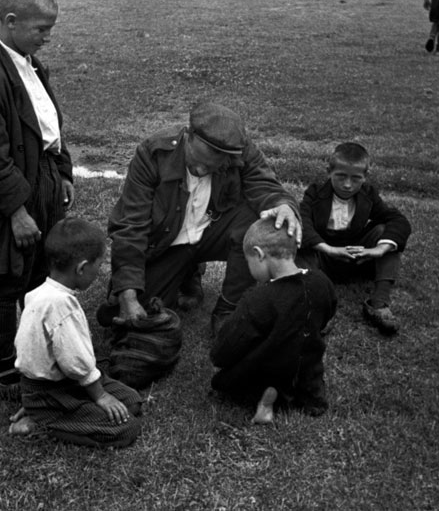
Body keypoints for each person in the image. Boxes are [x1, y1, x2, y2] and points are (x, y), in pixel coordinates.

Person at [0, 0, 75, 400]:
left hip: (40, 179)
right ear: (9, 21)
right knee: (6, 281)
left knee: (37, 273)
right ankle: (3, 367)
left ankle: (35, 353)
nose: (47, 38)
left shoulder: (31, 63)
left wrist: (62, 171)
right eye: (41, 29)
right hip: (7, 196)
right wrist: (17, 211)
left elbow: (49, 123)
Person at [103, 102, 301, 334]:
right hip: (165, 244)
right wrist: (127, 292)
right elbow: (131, 225)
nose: (201, 169)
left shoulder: (240, 150)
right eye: (197, 162)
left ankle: (228, 309)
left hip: (210, 234)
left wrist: (283, 205)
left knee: (254, 219)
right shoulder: (152, 153)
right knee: (125, 316)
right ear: (188, 136)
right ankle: (187, 273)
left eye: (212, 166)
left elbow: (265, 184)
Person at [8, 218, 142, 447]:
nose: (99, 273)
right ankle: (44, 422)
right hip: (50, 393)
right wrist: (100, 396)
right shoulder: (61, 306)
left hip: (58, 383)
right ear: (81, 268)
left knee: (132, 402)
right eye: (98, 267)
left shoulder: (39, 293)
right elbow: (76, 363)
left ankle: (39, 410)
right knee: (125, 428)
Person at [210, 217, 337, 424]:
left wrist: (219, 357)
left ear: (259, 255)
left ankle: (267, 401)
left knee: (243, 372)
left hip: (269, 369)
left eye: (248, 261)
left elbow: (228, 345)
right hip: (307, 369)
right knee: (307, 363)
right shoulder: (322, 282)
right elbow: (328, 313)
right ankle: (313, 401)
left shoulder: (259, 298)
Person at [298, 142, 411, 336]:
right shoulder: (315, 193)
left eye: (356, 179)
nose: (348, 185)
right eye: (341, 177)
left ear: (365, 177)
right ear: (329, 172)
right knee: (300, 248)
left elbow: (397, 220)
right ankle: (319, 310)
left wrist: (378, 250)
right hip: (324, 257)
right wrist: (329, 249)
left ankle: (379, 303)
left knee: (386, 233)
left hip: (357, 257)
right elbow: (303, 224)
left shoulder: (368, 195)